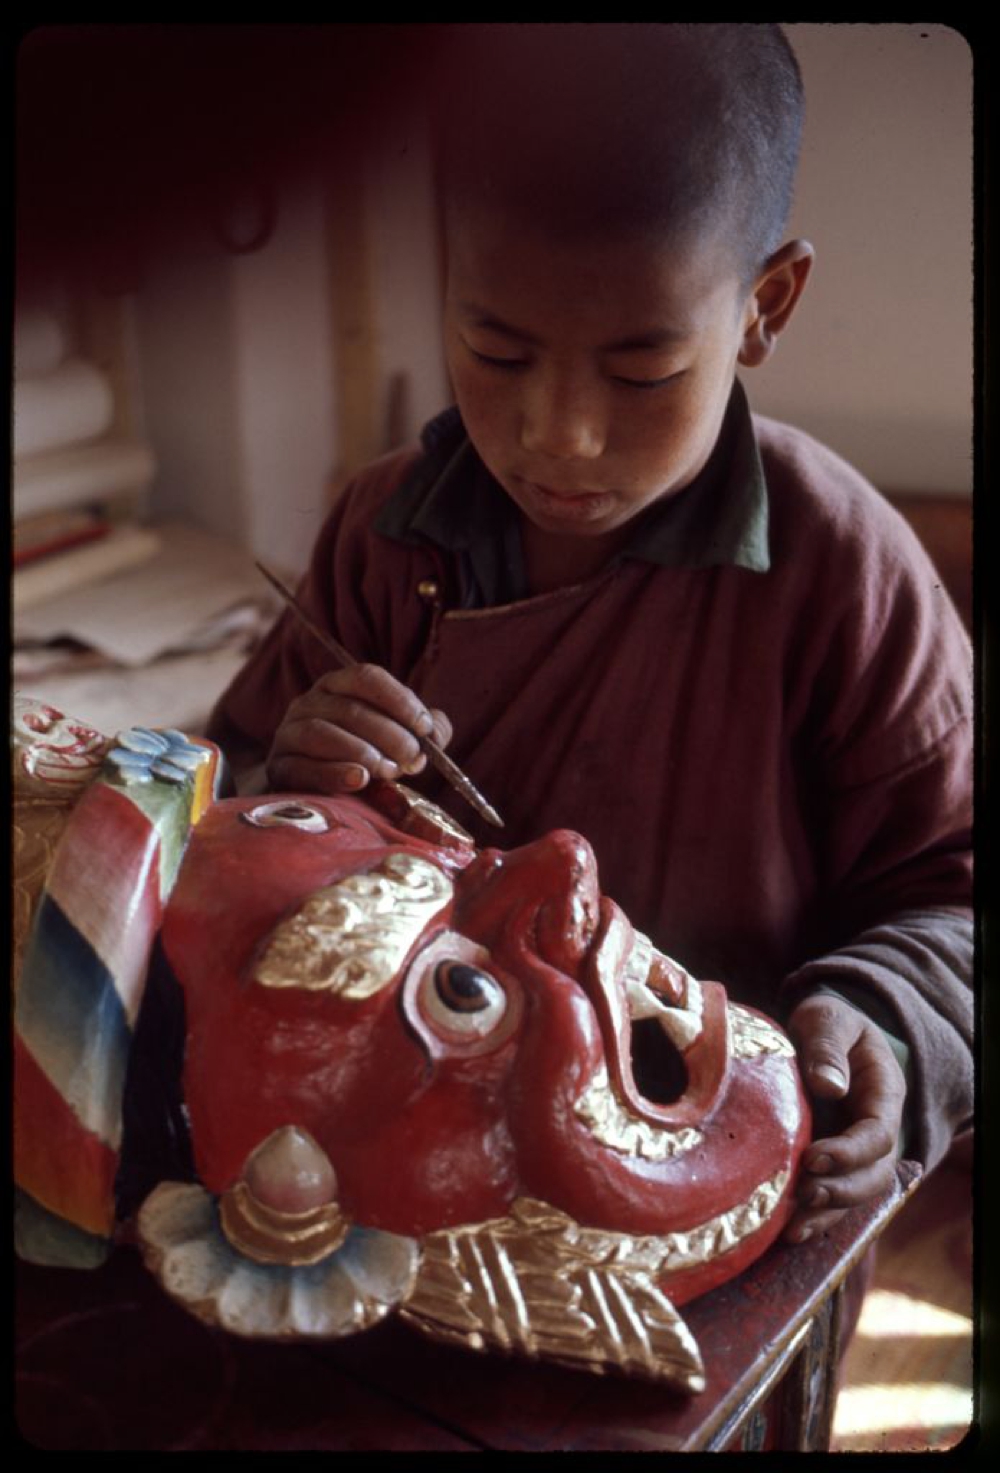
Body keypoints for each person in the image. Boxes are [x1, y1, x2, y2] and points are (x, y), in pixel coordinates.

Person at [206, 24, 972, 1252]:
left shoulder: (840, 567)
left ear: (764, 306)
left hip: (718, 1190)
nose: (557, 436)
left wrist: (877, 1022)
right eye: (496, 351)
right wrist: (293, 793)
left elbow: (956, 894)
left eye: (640, 369)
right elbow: (226, 830)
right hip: (413, 1168)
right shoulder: (385, 535)